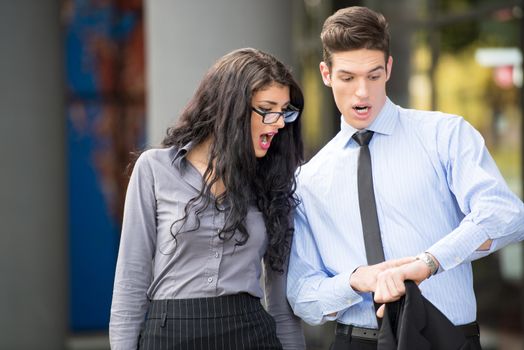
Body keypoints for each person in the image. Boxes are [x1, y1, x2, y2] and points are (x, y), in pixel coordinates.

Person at [286, 6, 524, 350]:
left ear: (389, 69)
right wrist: (355, 281)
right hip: (356, 342)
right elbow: (303, 296)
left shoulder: (444, 135)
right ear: (326, 74)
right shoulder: (308, 179)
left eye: (373, 75)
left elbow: (506, 216)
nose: (362, 93)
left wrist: (427, 263)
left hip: (445, 338)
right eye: (348, 77)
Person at [110, 48, 306, 350]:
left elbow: (281, 302)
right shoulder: (154, 169)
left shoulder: (274, 182)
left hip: (251, 335)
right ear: (231, 108)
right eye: (268, 109)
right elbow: (131, 283)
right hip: (169, 337)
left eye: (285, 111)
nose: (279, 122)